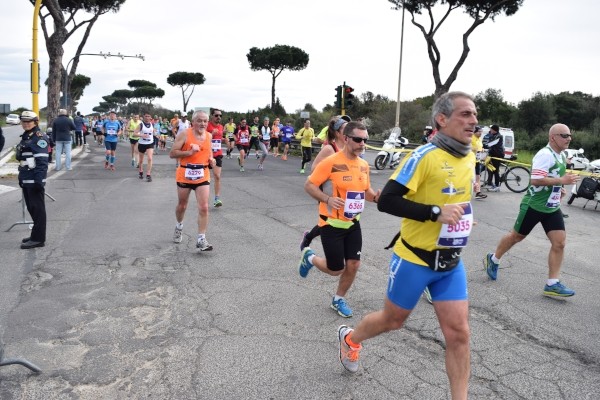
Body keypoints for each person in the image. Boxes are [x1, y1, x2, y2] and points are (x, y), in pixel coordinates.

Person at [336, 92, 477, 400]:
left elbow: (454, 198)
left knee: (459, 334)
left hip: (451, 262)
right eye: (465, 114)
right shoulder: (424, 156)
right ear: (442, 119)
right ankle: (351, 338)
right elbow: (386, 201)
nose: (474, 120)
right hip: (415, 259)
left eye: (474, 114)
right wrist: (435, 213)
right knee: (393, 320)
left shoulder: (469, 154)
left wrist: (462, 217)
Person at [484, 123, 579, 297]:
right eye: (564, 135)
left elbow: (552, 178)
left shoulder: (561, 155)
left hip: (551, 207)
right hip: (534, 205)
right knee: (516, 236)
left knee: (559, 243)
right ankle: (494, 258)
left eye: (569, 135)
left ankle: (552, 283)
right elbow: (536, 179)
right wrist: (561, 180)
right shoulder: (545, 154)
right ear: (553, 137)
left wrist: (559, 187)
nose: (569, 138)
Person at [298, 121, 380, 318]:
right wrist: (327, 199)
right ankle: (309, 257)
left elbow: (366, 191)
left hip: (353, 223)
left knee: (354, 264)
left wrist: (376, 198)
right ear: (346, 138)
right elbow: (309, 185)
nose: (363, 144)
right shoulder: (330, 162)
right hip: (331, 225)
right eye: (358, 139)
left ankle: (338, 299)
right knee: (336, 269)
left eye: (365, 140)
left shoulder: (363, 165)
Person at [300, 115, 350, 250]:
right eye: (345, 128)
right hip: (328, 191)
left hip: (344, 191)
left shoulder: (349, 147)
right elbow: (314, 168)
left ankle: (310, 237)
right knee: (329, 222)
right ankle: (309, 238)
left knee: (337, 221)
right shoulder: (330, 149)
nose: (349, 130)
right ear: (336, 132)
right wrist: (336, 170)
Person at [169, 110, 216, 251]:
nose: (202, 123)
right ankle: (179, 226)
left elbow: (209, 153)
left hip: (202, 174)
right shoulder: (184, 134)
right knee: (182, 205)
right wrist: (189, 152)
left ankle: (201, 239)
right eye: (199, 121)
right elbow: (172, 153)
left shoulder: (209, 136)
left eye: (205, 121)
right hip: (185, 173)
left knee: (204, 207)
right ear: (193, 122)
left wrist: (211, 160)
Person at [16, 111, 50, 249]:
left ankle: (38, 239)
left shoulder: (38, 137)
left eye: (29, 121)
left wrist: (39, 181)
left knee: (38, 210)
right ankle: (35, 235)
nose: (26, 123)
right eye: (23, 121)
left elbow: (42, 162)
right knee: (32, 209)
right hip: (26, 178)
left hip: (34, 180)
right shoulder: (27, 136)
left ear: (35, 122)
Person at [207, 109, 224, 207]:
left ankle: (217, 198)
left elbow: (218, 139)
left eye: (220, 116)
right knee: (205, 178)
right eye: (217, 115)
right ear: (212, 116)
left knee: (217, 176)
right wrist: (211, 134)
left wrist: (223, 139)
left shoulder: (221, 127)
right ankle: (203, 196)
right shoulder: (207, 125)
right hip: (207, 155)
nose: (219, 117)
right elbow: (203, 138)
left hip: (217, 154)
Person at [134, 113, 156, 182]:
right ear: (143, 117)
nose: (147, 117)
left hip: (150, 143)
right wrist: (141, 135)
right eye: (146, 116)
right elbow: (134, 133)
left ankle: (148, 174)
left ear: (150, 117)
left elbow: (153, 132)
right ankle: (141, 171)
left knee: (149, 158)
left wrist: (156, 134)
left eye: (148, 116)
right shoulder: (141, 125)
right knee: (141, 160)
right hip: (142, 144)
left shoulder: (152, 124)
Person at [483, 124, 504, 191]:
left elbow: (492, 143)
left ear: (494, 130)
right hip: (493, 155)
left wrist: (484, 145)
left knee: (495, 170)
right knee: (491, 169)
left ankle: (497, 186)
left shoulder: (499, 136)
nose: (490, 130)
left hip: (497, 155)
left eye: (491, 129)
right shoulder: (493, 135)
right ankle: (490, 183)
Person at [472, 126, 487, 200]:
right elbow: (468, 147)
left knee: (478, 176)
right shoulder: (471, 138)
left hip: (477, 160)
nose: (480, 133)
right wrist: (475, 149)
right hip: (470, 160)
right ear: (475, 131)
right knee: (469, 177)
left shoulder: (479, 139)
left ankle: (478, 192)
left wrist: (482, 149)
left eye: (481, 132)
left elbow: (480, 146)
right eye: (479, 132)